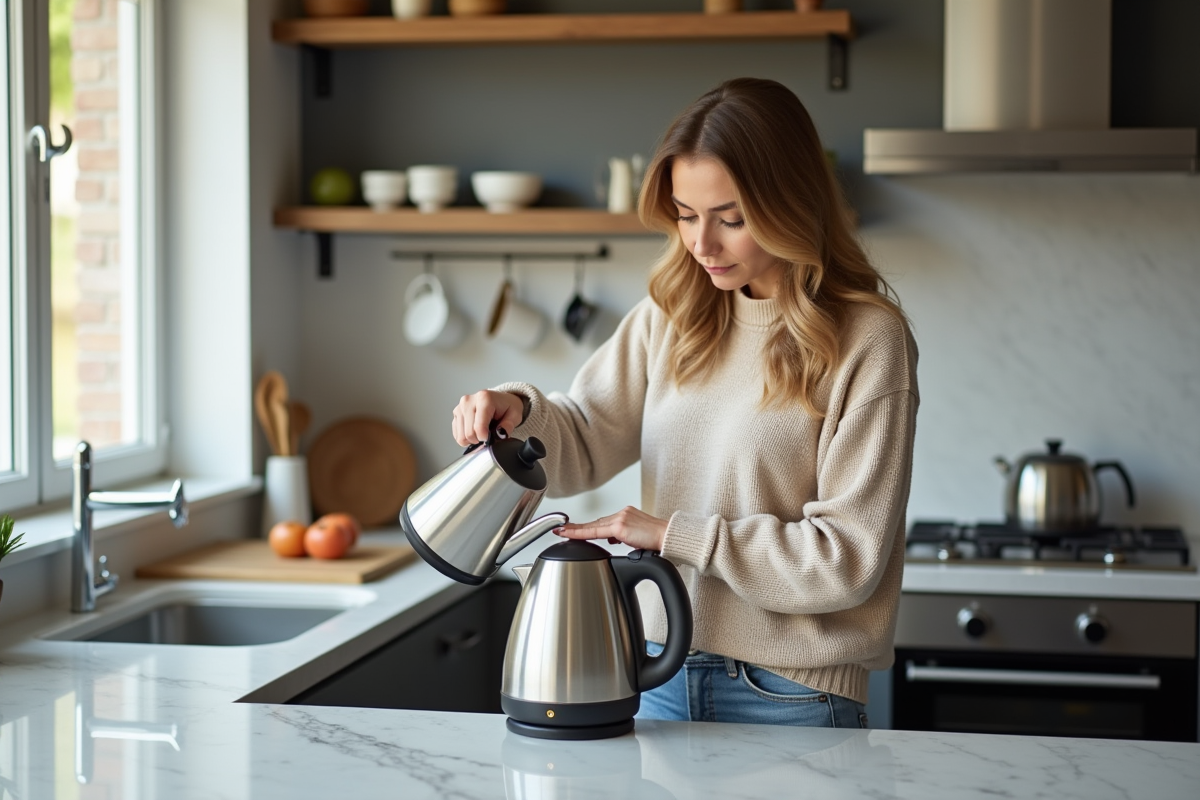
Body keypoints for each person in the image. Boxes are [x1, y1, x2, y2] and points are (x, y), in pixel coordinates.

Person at [451, 77, 918, 729]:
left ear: (791, 202)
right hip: (657, 668)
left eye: (730, 218)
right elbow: (583, 437)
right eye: (686, 214)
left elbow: (845, 561)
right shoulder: (671, 316)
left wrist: (673, 535)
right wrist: (517, 413)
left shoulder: (867, 338)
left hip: (793, 693)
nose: (702, 243)